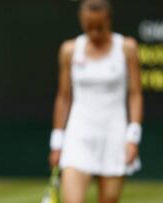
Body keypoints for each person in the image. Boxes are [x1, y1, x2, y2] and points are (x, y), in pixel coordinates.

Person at [48, 0, 143, 203]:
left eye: (99, 27)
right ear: (82, 21)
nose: (94, 33)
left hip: (115, 136)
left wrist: (133, 137)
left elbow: (135, 94)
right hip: (78, 136)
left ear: (108, 21)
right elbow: (63, 97)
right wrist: (57, 142)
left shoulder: (127, 47)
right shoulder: (69, 50)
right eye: (89, 27)